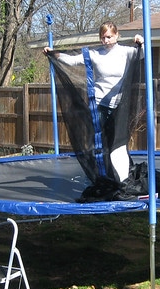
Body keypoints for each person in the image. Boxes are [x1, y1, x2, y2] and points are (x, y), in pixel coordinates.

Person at [44, 21, 144, 184]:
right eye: (103, 38)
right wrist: (53, 53)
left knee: (117, 142)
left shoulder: (127, 52)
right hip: (99, 105)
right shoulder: (95, 54)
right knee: (97, 141)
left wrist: (142, 42)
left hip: (119, 106)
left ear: (117, 35)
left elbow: (142, 55)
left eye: (109, 37)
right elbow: (72, 61)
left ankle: (120, 178)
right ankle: (98, 175)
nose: (106, 41)